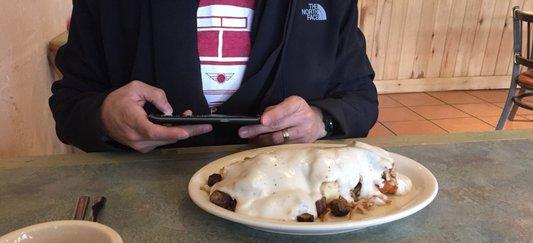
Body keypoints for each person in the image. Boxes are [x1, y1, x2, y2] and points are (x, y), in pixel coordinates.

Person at [50, 0, 378, 153]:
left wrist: (321, 120)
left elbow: (360, 98)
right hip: (147, 218)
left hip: (291, 210)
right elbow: (70, 105)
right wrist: (106, 115)